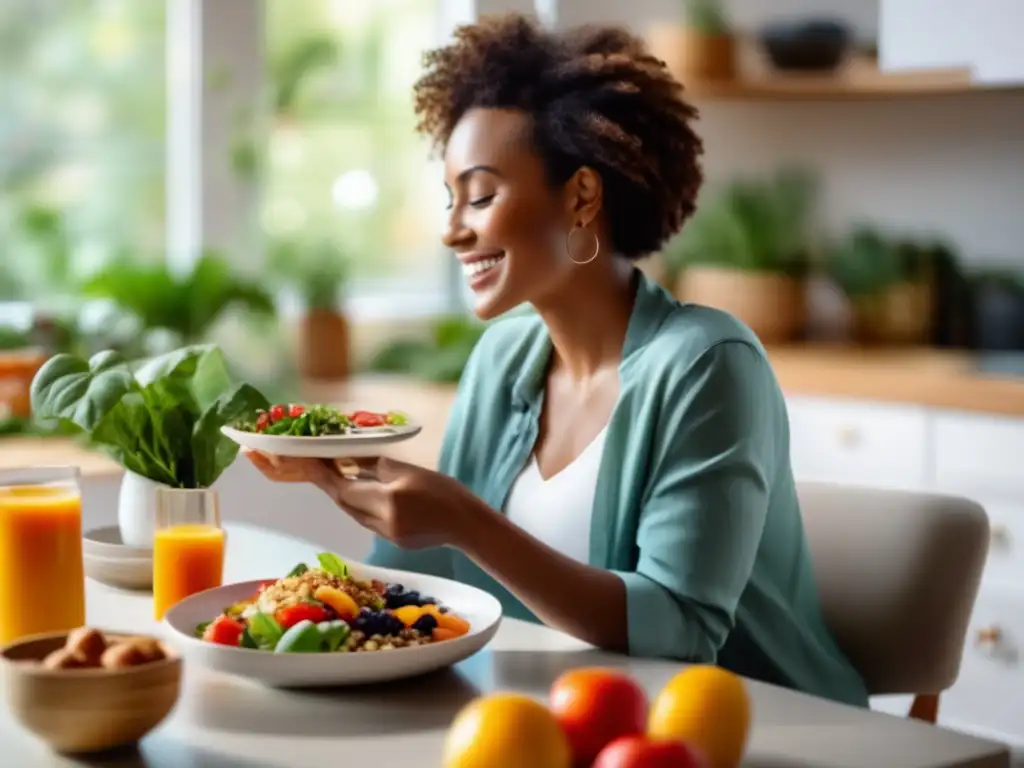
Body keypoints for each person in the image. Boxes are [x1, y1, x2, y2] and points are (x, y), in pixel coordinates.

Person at [249, 13, 869, 707]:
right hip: (564, 718)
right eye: (450, 198)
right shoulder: (502, 358)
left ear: (580, 196)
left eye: (480, 195)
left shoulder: (709, 366)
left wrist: (466, 519)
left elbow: (681, 631)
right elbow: (416, 581)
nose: (454, 229)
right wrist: (332, 478)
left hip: (763, 730)